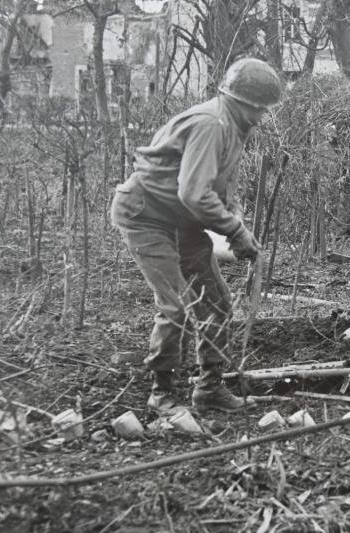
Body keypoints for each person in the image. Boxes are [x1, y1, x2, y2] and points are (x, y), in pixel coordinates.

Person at [111, 58, 283, 415]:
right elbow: (194, 194)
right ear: (243, 102)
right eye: (260, 109)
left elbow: (221, 190)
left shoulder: (233, 128)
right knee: (177, 304)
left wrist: (236, 222)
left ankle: (209, 389)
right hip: (146, 216)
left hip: (180, 220)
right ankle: (161, 393)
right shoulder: (211, 124)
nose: (262, 118)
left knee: (216, 300)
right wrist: (234, 230)